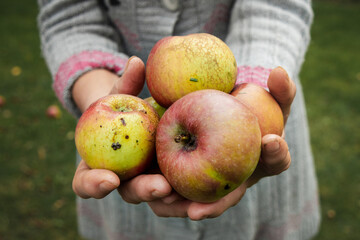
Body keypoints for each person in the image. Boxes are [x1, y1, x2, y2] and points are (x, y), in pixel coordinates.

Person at [37, 0, 320, 239]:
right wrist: (100, 100)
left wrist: (257, 95)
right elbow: (69, 16)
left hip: (254, 126)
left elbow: (278, 7)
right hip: (135, 139)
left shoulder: (253, 117)